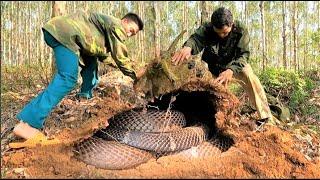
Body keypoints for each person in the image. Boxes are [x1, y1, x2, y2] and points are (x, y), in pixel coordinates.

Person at [9, 10, 147, 148]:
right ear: (125, 22)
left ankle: (85, 97)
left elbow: (106, 57)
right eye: (131, 31)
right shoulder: (115, 24)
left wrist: (121, 66)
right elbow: (121, 57)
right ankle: (28, 124)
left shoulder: (103, 32)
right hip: (64, 34)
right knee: (68, 78)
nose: (128, 35)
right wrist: (139, 75)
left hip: (71, 38)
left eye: (132, 35)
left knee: (91, 66)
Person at [171, 7, 274, 127]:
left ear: (232, 24)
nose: (221, 36)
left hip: (235, 65)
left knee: (251, 77)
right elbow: (196, 39)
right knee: (216, 96)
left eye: (225, 32)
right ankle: (221, 123)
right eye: (217, 32)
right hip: (215, 68)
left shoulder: (241, 30)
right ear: (212, 26)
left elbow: (244, 55)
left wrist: (230, 70)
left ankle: (267, 118)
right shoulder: (207, 28)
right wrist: (188, 47)